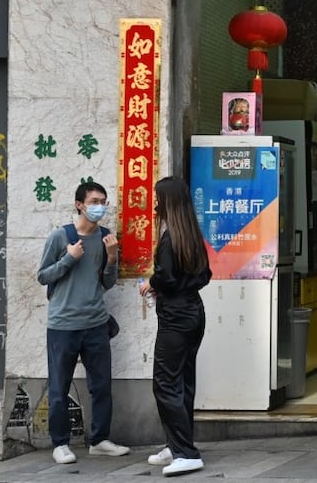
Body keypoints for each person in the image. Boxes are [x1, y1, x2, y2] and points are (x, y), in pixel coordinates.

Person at [36, 181, 130, 465]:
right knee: (58, 388)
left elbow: (107, 283)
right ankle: (61, 443)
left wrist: (112, 257)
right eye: (93, 200)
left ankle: (100, 440)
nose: (99, 206)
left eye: (103, 200)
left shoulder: (105, 238)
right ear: (79, 204)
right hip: (63, 325)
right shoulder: (60, 236)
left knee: (101, 385)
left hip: (96, 323)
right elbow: (43, 276)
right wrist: (69, 258)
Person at [137, 177, 212, 476]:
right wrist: (173, 286)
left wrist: (151, 284)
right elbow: (203, 276)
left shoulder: (170, 239)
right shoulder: (191, 234)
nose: (155, 204)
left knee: (165, 383)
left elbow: (166, 277)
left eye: (157, 198)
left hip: (176, 319)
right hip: (193, 313)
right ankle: (176, 443)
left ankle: (185, 451)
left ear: (166, 201)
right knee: (183, 381)